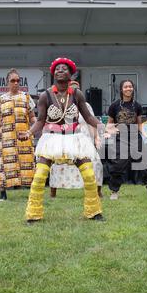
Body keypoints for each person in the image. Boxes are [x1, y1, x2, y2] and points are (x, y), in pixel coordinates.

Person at [18, 57, 111, 223]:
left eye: (65, 68)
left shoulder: (77, 94)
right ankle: (33, 214)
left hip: (75, 140)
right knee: (39, 177)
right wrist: (29, 133)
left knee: (89, 175)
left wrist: (103, 127)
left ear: (71, 75)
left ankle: (94, 211)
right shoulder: (45, 96)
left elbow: (89, 117)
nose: (61, 70)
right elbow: (40, 121)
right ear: (53, 73)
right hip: (51, 141)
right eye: (58, 68)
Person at [0, 69, 36, 201]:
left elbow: (33, 117)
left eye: (18, 80)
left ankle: (32, 193)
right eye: (13, 80)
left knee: (27, 163)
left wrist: (39, 125)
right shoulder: (2, 99)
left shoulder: (26, 97)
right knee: (5, 164)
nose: (16, 83)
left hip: (24, 136)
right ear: (7, 82)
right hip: (7, 138)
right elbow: (0, 121)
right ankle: (3, 193)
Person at [106, 79, 147, 200]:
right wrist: (110, 131)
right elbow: (109, 125)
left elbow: (139, 124)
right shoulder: (114, 106)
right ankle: (114, 191)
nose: (128, 89)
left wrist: (146, 135)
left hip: (136, 137)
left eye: (130, 86)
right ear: (121, 89)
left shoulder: (137, 105)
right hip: (121, 138)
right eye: (125, 87)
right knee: (118, 164)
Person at [49, 81, 104, 198]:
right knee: (59, 164)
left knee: (95, 162)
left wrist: (96, 137)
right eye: (72, 88)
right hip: (66, 137)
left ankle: (98, 190)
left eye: (77, 89)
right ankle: (53, 192)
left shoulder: (86, 105)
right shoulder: (61, 104)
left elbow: (91, 122)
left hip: (84, 138)